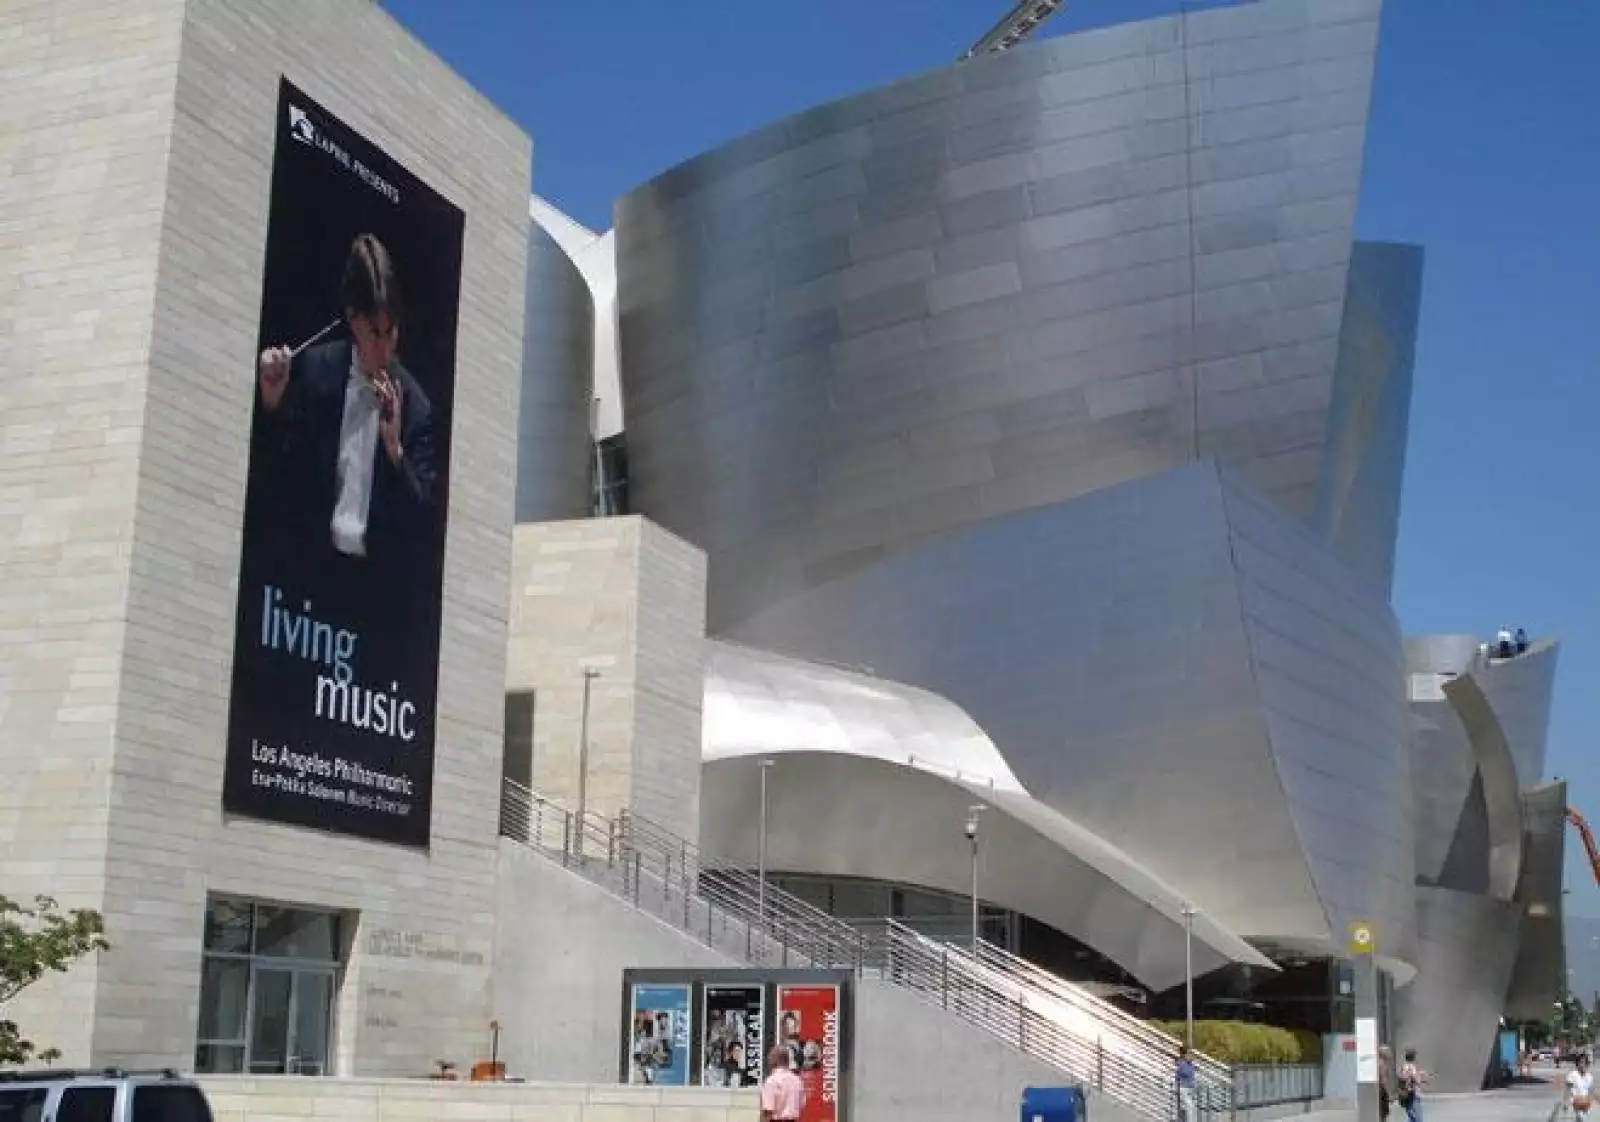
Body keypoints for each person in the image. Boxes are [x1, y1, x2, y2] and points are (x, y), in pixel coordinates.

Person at [254, 233, 439, 574]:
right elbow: (277, 473)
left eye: (391, 332)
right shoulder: (315, 370)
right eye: (375, 333)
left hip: (376, 582)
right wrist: (272, 402)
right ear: (353, 321)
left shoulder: (416, 406)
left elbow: (423, 522)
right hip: (310, 565)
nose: (385, 348)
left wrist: (395, 449)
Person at [761, 1045, 805, 1122]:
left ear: (776, 1059)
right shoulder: (797, 1080)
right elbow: (801, 1105)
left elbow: (768, 1111)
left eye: (770, 1056)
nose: (768, 1059)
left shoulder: (772, 1080)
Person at [1399, 1048, 1428, 1122]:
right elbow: (1415, 1079)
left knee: (1411, 1116)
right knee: (1417, 1118)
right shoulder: (1411, 1067)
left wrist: (1418, 1074)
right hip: (1413, 1094)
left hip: (1407, 1095)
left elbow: (1404, 1077)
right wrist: (1422, 1079)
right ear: (1413, 1057)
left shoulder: (1404, 1066)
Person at [1568, 1053, 1594, 1121]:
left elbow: (1591, 1090)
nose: (1582, 1065)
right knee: (1581, 1118)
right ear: (1577, 1064)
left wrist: (1591, 1100)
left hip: (1586, 1102)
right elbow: (1567, 1089)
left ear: (1587, 1064)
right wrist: (1565, 1102)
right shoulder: (1572, 1075)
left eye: (1584, 1063)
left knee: (1581, 1119)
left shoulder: (1589, 1076)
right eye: (1580, 1063)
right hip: (1576, 1101)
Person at [1175, 1046, 1198, 1122]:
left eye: (1191, 1053)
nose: (1191, 1055)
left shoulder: (1189, 1064)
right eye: (1189, 1054)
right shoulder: (1182, 1064)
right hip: (1184, 1089)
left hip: (1190, 1089)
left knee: (1191, 1108)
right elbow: (1185, 1074)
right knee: (1189, 1108)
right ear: (1184, 1055)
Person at [1378, 1045, 1395, 1121]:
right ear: (1384, 1053)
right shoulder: (1382, 1064)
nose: (1391, 1054)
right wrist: (1390, 1095)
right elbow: (1384, 1081)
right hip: (1382, 1091)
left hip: (1380, 1091)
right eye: (1389, 1052)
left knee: (1383, 1114)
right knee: (1383, 1115)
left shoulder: (1380, 1063)